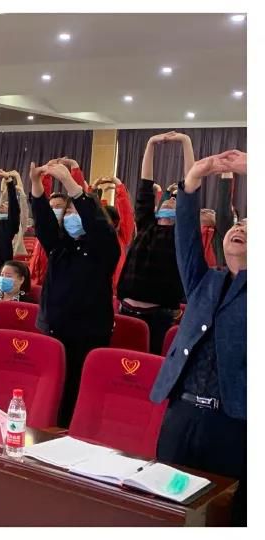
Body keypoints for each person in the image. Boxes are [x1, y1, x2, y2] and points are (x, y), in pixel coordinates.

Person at [150, 149, 246, 526]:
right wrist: (191, 183)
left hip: (233, 419)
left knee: (221, 512)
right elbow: (186, 240)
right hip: (183, 411)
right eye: (237, 225)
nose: (240, 229)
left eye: (252, 227)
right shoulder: (205, 281)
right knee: (166, 505)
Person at [29, 161, 121, 427]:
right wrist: (36, 184)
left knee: (77, 392)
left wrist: (72, 184)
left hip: (87, 334)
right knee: (51, 392)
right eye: (67, 212)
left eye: (76, 211)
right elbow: (44, 223)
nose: (71, 216)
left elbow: (97, 223)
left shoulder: (104, 248)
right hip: (54, 329)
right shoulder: (60, 247)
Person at [117, 131, 192, 355]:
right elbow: (145, 186)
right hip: (125, 311)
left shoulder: (181, 235)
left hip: (158, 318)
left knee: (151, 366)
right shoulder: (146, 225)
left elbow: (191, 187)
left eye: (175, 200)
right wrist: (150, 144)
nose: (170, 200)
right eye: (168, 199)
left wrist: (185, 141)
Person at [0, 260, 33, 326]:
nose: (3, 279)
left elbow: (23, 327)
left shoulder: (28, 303)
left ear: (21, 279)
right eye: (2, 275)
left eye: (8, 276)